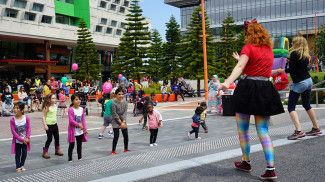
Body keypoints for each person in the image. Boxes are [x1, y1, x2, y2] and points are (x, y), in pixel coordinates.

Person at [219, 20, 284, 180]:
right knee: (263, 131)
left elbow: (241, 68)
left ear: (249, 33)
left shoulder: (248, 47)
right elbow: (263, 70)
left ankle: (246, 162)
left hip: (247, 89)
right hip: (264, 89)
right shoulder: (269, 50)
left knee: (243, 130)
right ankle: (271, 168)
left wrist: (227, 83)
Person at [277, 36, 322, 139]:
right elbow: (299, 67)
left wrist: (282, 70)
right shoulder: (306, 55)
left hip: (300, 83)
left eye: (293, 42)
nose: (292, 44)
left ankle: (299, 131)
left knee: (291, 107)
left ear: (296, 44)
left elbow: (292, 70)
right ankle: (316, 128)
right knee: (307, 104)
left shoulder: (293, 54)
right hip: (308, 81)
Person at [10, 102, 31, 173]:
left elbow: (28, 128)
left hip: (25, 140)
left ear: (22, 110)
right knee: (18, 154)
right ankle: (17, 166)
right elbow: (13, 132)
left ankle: (22, 165)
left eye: (17, 108)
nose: (15, 109)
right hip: (17, 141)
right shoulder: (12, 120)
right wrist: (21, 139)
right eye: (14, 108)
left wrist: (27, 137)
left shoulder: (26, 118)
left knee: (24, 154)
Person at [41, 94, 64, 159]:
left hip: (54, 124)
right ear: (49, 99)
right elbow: (43, 116)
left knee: (57, 137)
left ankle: (57, 150)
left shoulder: (55, 105)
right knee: (49, 139)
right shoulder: (47, 106)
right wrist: (45, 125)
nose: (54, 99)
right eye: (53, 98)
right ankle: (45, 152)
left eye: (55, 98)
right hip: (48, 124)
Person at [67, 94, 88, 161]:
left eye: (79, 99)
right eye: (76, 99)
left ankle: (80, 158)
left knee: (79, 145)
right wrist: (79, 125)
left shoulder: (81, 109)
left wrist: (85, 129)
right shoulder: (70, 110)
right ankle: (70, 159)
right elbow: (71, 121)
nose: (78, 101)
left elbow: (83, 120)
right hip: (73, 131)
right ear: (72, 101)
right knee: (71, 146)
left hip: (80, 131)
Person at [111, 87, 129, 155]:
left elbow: (125, 113)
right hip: (115, 120)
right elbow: (115, 114)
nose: (121, 96)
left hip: (123, 120)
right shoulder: (113, 103)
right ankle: (113, 150)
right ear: (116, 95)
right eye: (119, 94)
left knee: (126, 135)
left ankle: (126, 149)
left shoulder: (125, 102)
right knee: (116, 136)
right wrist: (120, 123)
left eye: (122, 94)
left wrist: (123, 122)